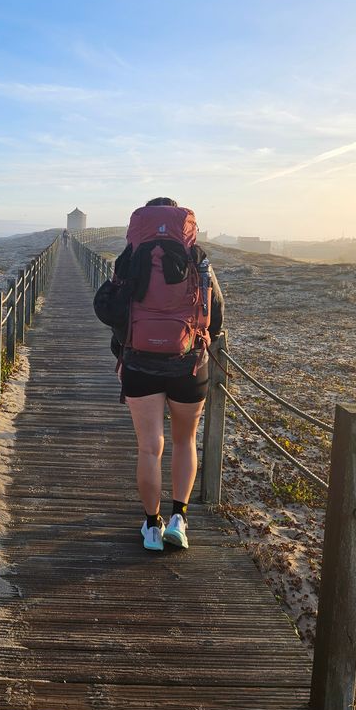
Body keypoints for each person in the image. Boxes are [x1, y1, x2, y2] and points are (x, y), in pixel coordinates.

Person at [110, 197, 224, 552]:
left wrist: (121, 355)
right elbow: (216, 312)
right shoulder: (198, 258)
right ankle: (180, 519)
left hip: (139, 364)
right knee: (184, 441)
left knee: (149, 448)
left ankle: (151, 526)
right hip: (188, 364)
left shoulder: (129, 257)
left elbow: (117, 312)